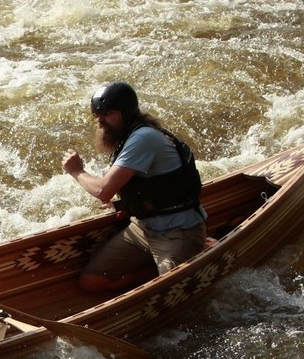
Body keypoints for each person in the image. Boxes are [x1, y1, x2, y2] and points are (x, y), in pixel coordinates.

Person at [62, 81, 205, 292]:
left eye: (108, 113)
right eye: (97, 116)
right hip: (143, 228)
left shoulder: (143, 138)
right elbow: (147, 185)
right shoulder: (128, 137)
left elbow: (103, 191)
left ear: (126, 112)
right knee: (92, 280)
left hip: (179, 232)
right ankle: (151, 275)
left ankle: (192, 256)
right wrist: (126, 203)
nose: (100, 121)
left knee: (172, 293)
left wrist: (77, 171)